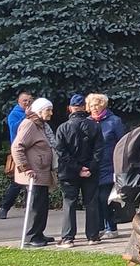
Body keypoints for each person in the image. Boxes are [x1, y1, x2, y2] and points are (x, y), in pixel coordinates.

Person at [55, 94, 104, 248]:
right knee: (91, 203)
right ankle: (93, 236)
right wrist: (88, 167)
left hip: (69, 172)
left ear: (70, 108)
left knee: (69, 203)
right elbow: (99, 150)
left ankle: (68, 238)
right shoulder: (94, 126)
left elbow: (61, 153)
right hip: (90, 172)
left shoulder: (63, 128)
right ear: (84, 107)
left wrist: (77, 168)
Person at [12, 98, 57, 247]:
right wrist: (25, 167)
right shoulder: (30, 125)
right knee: (35, 206)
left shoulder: (41, 125)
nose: (51, 113)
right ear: (39, 111)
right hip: (34, 174)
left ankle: (38, 233)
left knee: (41, 205)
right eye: (48, 110)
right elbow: (17, 147)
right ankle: (32, 236)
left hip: (42, 173)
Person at [87, 92, 126, 238]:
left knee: (106, 198)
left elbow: (121, 143)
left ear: (103, 105)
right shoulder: (88, 122)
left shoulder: (114, 121)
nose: (94, 108)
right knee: (96, 199)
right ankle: (100, 227)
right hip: (93, 166)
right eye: (91, 106)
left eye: (97, 105)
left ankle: (112, 227)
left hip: (109, 164)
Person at [0, 91, 33, 219]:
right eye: (25, 100)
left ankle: (29, 210)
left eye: (29, 100)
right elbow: (15, 129)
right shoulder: (14, 114)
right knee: (17, 183)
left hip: (32, 152)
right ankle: (5, 207)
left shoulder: (33, 114)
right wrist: (26, 117)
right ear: (19, 102)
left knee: (31, 183)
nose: (27, 103)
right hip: (19, 152)